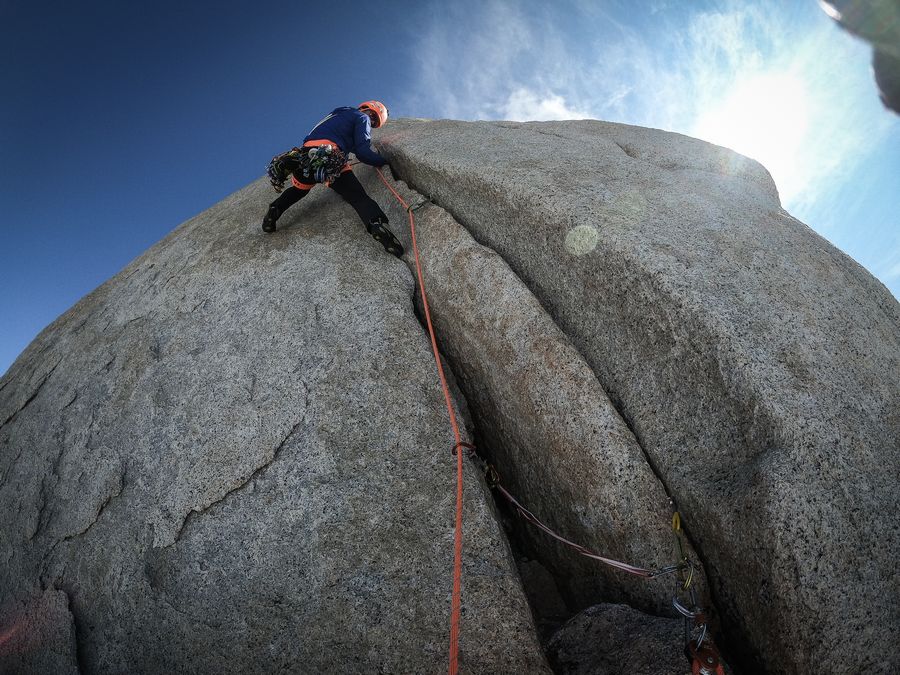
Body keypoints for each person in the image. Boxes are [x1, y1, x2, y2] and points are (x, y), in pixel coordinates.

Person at [262, 100, 403, 257]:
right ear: (372, 114)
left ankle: (275, 209)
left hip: (305, 156)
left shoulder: (336, 114)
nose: (372, 123)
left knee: (299, 189)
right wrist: (384, 161)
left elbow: (352, 144)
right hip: (330, 158)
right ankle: (377, 225)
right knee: (357, 196)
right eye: (374, 121)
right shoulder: (362, 118)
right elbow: (363, 152)